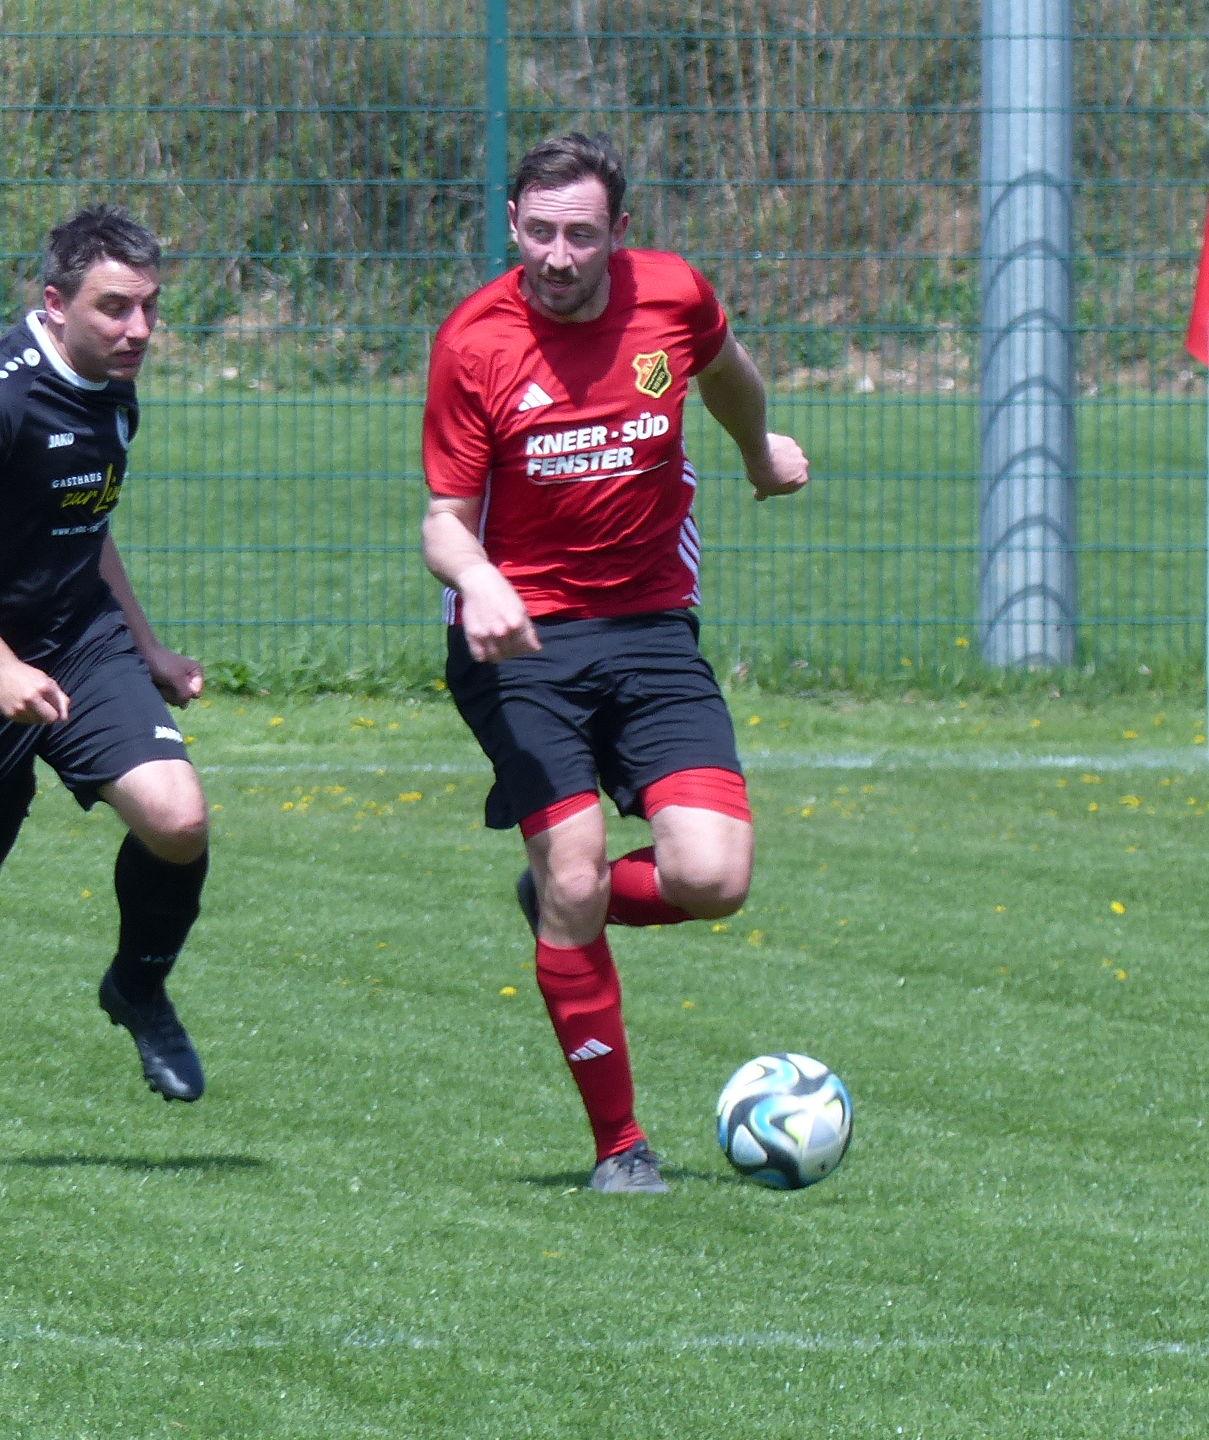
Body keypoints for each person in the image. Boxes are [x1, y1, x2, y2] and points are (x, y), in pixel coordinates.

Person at [421, 133, 810, 1194]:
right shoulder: (473, 342)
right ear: (512, 224)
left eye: (581, 235)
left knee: (712, 879)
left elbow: (727, 373)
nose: (558, 256)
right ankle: (620, 1147)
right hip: (518, 641)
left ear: (618, 234)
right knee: (575, 867)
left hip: (648, 626)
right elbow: (444, 520)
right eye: (540, 232)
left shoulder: (672, 296)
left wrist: (757, 450)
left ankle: (567, 906)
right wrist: (481, 581)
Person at [0, 205, 211, 1164]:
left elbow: (83, 522)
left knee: (178, 819)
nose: (138, 329)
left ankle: (137, 985)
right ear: (56, 302)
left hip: (80, 643)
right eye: (114, 308)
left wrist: (146, 647)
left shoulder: (114, 389)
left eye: (149, 307)